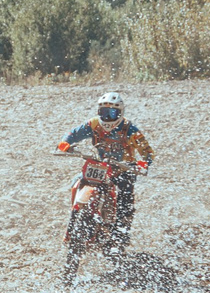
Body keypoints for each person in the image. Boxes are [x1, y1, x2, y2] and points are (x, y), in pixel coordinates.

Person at [57, 89, 153, 244]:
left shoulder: (130, 130)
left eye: (112, 113)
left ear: (120, 113)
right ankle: (74, 220)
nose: (107, 117)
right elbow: (74, 133)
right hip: (101, 166)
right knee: (77, 182)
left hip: (124, 168)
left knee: (125, 198)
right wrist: (65, 143)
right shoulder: (93, 124)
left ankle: (121, 234)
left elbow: (147, 152)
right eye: (104, 112)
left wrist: (143, 163)